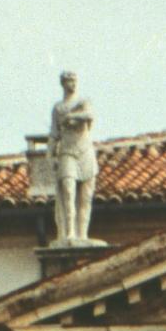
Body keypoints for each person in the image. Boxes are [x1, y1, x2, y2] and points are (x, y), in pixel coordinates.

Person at [46, 72, 98, 247]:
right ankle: (69, 233)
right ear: (63, 84)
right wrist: (50, 155)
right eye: (69, 81)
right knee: (68, 192)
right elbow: (54, 134)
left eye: (75, 81)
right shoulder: (58, 108)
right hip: (67, 152)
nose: (72, 84)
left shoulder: (83, 102)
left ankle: (82, 234)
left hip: (85, 151)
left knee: (86, 196)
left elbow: (90, 115)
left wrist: (72, 117)